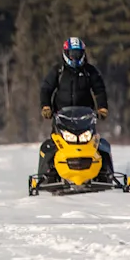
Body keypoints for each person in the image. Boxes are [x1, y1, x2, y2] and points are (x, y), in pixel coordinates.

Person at [38, 36, 112, 180]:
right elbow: (46, 89)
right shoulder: (58, 71)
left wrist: (102, 108)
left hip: (85, 117)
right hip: (61, 117)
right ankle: (47, 173)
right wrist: (46, 106)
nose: (75, 58)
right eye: (72, 54)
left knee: (97, 144)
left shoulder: (90, 72)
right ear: (66, 54)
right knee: (53, 145)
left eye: (78, 54)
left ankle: (105, 173)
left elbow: (99, 90)